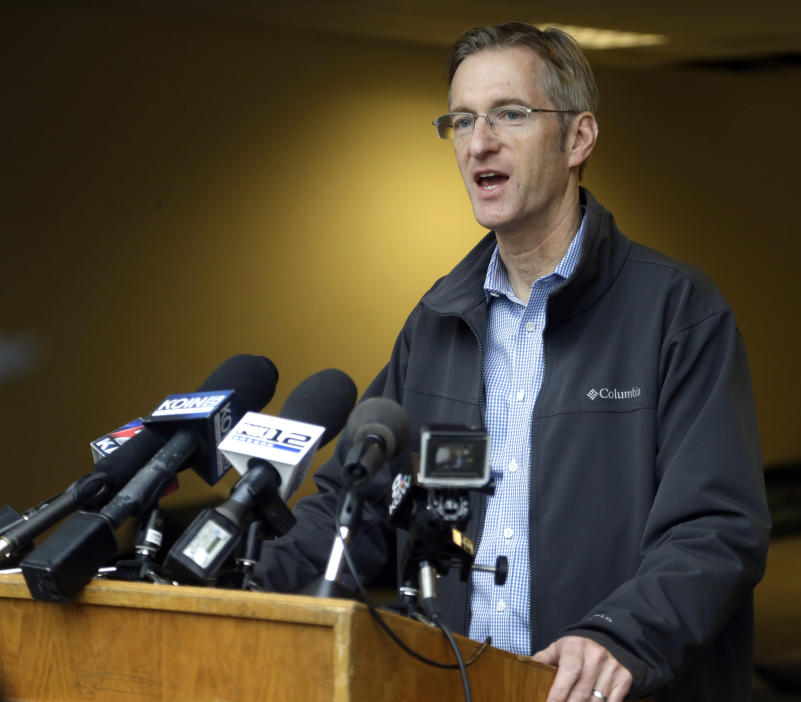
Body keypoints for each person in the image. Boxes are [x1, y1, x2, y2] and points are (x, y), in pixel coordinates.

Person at [257, 22, 770, 702]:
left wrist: (623, 634)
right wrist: (229, 582)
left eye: (510, 114)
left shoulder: (675, 310)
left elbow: (717, 527)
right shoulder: (437, 323)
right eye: (462, 120)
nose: (479, 142)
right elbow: (357, 508)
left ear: (579, 139)